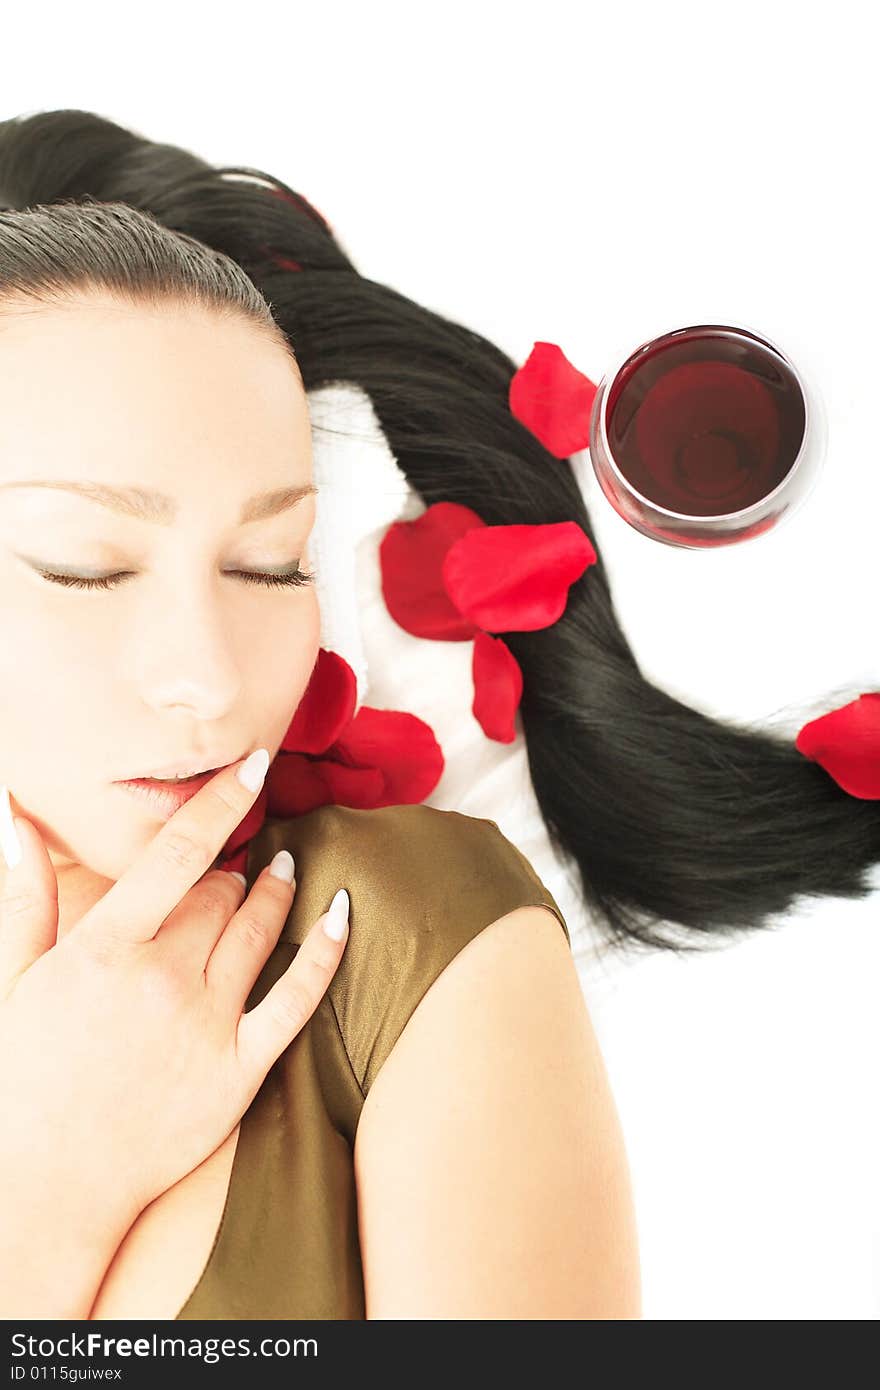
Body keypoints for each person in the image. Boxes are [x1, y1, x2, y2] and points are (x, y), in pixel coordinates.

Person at [0, 110, 642, 1320]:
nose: (208, 675)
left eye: (268, 564)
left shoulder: (402, 943)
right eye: (84, 565)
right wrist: (44, 1187)